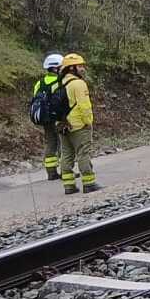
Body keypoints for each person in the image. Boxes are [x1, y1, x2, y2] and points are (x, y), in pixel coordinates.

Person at [55, 54, 97, 194]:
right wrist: (88, 122)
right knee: (83, 153)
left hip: (62, 125)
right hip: (78, 125)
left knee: (66, 155)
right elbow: (84, 106)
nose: (83, 69)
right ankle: (89, 184)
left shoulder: (58, 83)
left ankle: (69, 186)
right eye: (80, 66)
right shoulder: (78, 84)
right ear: (71, 68)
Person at [29, 52, 66, 182]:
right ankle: (65, 172)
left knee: (51, 143)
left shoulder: (39, 83)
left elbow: (35, 98)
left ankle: (51, 173)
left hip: (45, 118)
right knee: (63, 144)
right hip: (59, 117)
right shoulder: (60, 81)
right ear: (55, 68)